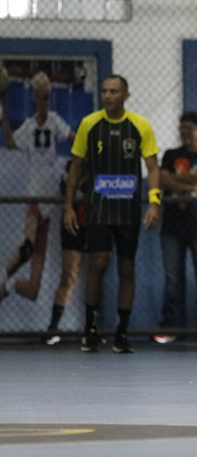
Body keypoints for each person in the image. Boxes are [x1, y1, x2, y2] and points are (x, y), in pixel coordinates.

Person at [63, 74, 161, 354]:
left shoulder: (140, 125)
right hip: (99, 207)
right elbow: (76, 166)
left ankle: (122, 332)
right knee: (98, 263)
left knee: (126, 268)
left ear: (125, 96)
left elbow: (152, 167)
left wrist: (154, 203)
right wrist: (68, 205)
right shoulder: (89, 124)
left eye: (114, 91)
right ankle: (90, 329)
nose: (107, 96)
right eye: (104, 91)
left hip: (128, 209)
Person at [0, 71, 75, 305]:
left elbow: (72, 137)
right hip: (35, 196)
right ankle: (2, 275)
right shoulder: (29, 126)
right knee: (28, 246)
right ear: (34, 98)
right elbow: (11, 143)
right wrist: (4, 118)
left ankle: (7, 285)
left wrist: (92, 142)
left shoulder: (54, 121)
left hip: (50, 202)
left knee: (33, 290)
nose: (45, 103)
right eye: (41, 98)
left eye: (48, 98)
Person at [153, 111, 197, 344]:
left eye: (190, 128)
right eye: (182, 128)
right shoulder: (171, 155)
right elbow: (162, 179)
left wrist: (177, 181)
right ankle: (170, 326)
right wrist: (191, 186)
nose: (184, 132)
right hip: (173, 225)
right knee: (173, 278)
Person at [42, 159, 89, 345]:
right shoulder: (71, 168)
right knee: (68, 276)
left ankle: (93, 327)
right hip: (74, 226)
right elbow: (66, 190)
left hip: (96, 226)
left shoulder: (102, 169)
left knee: (97, 275)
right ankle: (53, 327)